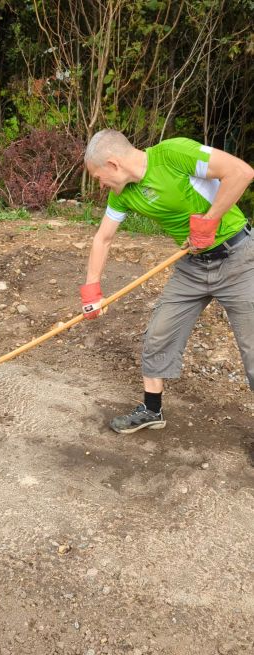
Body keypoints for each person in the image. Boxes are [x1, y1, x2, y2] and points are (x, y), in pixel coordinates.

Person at [80, 130, 254, 433]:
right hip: (192, 266)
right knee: (159, 332)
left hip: (238, 258)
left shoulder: (174, 154)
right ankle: (151, 409)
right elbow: (103, 238)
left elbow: (241, 172)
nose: (99, 183)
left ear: (113, 164)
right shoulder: (122, 193)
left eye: (98, 176)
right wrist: (92, 289)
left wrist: (209, 221)